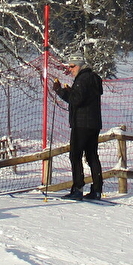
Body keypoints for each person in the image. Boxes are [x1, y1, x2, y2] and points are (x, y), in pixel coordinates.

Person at [54, 61, 105, 200]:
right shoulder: (94, 78)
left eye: (72, 66)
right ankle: (97, 189)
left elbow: (76, 100)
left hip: (81, 123)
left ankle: (78, 188)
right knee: (92, 156)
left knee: (75, 155)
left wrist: (60, 91)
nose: (70, 69)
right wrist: (71, 91)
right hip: (94, 123)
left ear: (80, 65)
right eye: (69, 67)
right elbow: (84, 97)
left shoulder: (82, 78)